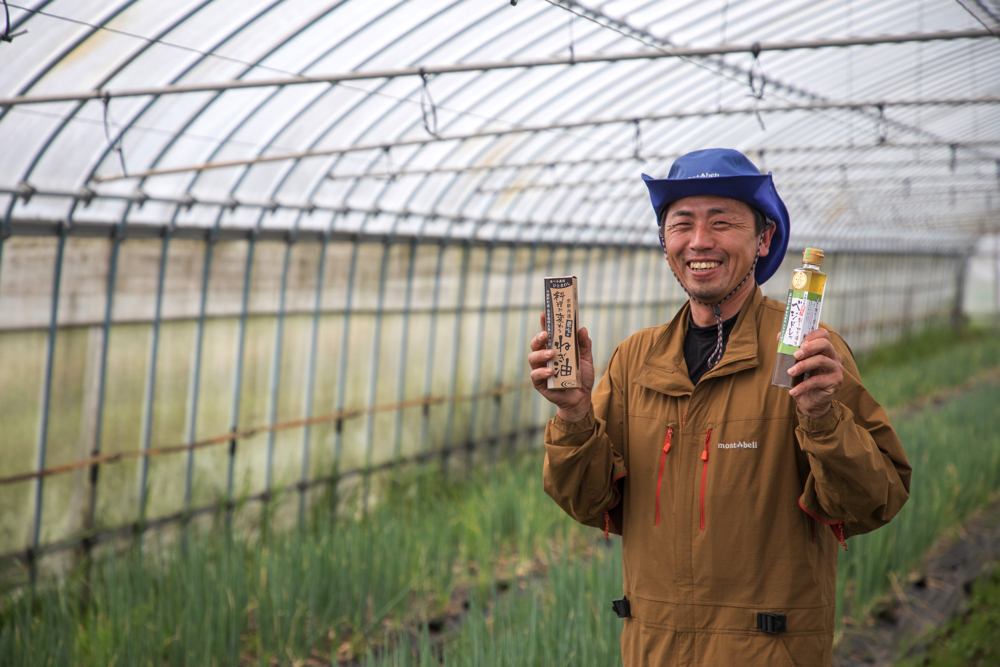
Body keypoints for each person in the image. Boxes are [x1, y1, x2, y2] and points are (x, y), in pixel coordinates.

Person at [528, 148, 911, 666]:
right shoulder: (634, 360)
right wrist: (574, 415)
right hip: (654, 652)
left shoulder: (805, 351)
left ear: (763, 240)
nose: (699, 241)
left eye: (722, 222)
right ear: (665, 243)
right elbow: (588, 502)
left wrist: (823, 420)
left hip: (769, 653)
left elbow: (874, 502)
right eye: (681, 223)